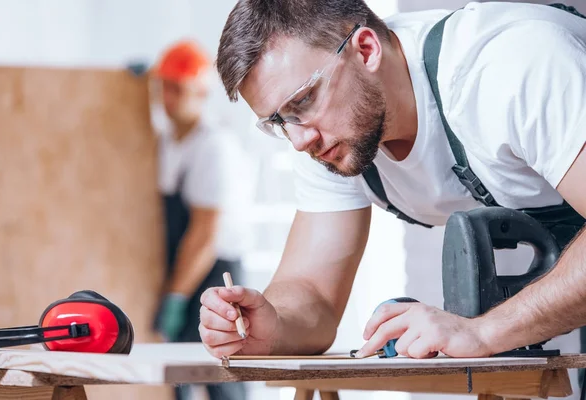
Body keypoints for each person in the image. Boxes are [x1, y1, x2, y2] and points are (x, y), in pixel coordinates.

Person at [196, 0, 586, 363]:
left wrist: (485, 332)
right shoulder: (328, 136)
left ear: (365, 49)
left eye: (302, 102)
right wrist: (272, 328)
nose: (298, 141)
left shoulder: (509, 67)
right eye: (279, 122)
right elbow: (312, 291)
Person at [149, 40, 250, 400]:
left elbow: (205, 236)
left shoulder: (214, 146)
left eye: (178, 88)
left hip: (215, 275)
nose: (169, 97)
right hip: (187, 273)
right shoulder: (170, 142)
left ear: (200, 91)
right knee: (181, 380)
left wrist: (176, 296)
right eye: (164, 86)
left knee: (223, 378)